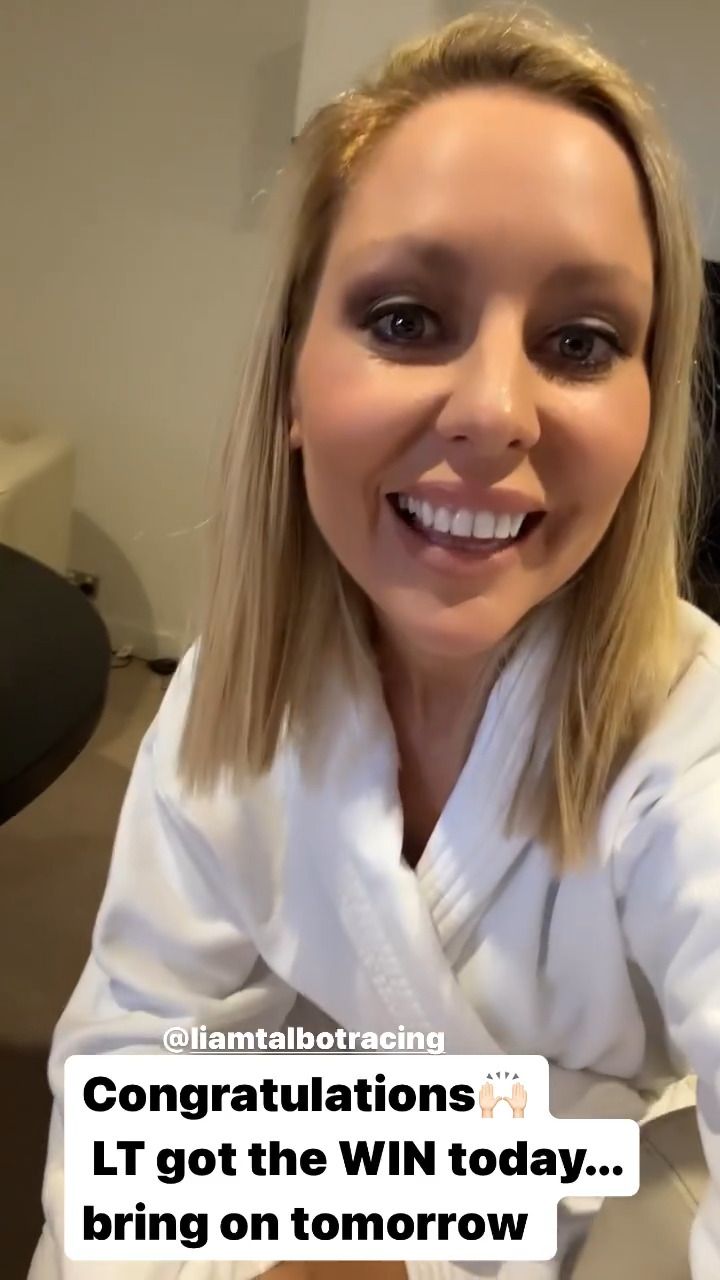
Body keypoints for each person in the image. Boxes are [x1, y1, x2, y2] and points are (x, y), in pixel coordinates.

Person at [29, 4, 720, 1279]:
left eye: (580, 343)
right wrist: (521, 1152)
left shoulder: (695, 749)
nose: (495, 412)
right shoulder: (240, 688)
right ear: (293, 377)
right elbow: (125, 1092)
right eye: (405, 318)